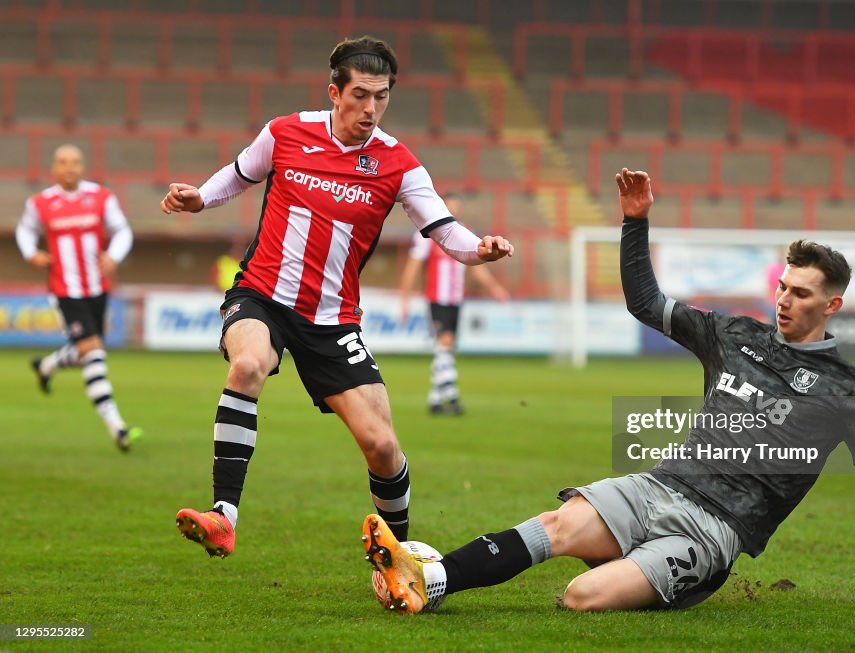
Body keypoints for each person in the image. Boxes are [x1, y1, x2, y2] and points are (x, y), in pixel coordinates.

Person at [362, 168, 855, 614]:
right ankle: (428, 581)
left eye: (801, 294)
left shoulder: (849, 386)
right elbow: (646, 303)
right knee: (558, 525)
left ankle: (662, 569)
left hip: (714, 530)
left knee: (581, 597)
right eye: (783, 287)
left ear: (832, 305)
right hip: (656, 485)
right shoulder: (734, 335)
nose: (785, 301)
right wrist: (634, 222)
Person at [160, 36, 513, 558]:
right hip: (262, 293)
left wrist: (480, 249)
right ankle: (224, 516)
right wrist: (198, 198)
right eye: (361, 95)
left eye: (383, 97)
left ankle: (398, 552)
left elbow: (446, 231)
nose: (371, 108)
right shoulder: (284, 133)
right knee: (249, 363)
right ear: (335, 92)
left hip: (332, 320)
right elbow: (238, 176)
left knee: (382, 445)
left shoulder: (398, 164)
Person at [15, 144, 142, 452]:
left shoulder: (100, 197)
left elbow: (123, 231)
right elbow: (24, 231)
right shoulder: (41, 202)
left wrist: (114, 256)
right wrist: (31, 254)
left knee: (87, 350)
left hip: (98, 290)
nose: (69, 167)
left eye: (75, 161)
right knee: (94, 353)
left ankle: (47, 367)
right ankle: (117, 427)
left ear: (82, 166)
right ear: (54, 169)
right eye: (63, 162)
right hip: (64, 291)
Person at [397, 192, 511, 415]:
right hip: (437, 298)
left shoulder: (464, 233)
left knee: (446, 348)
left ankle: (436, 399)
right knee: (445, 343)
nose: (453, 211)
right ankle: (451, 395)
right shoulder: (426, 235)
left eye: (456, 208)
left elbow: (477, 266)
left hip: (456, 299)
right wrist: (405, 299)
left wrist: (494, 288)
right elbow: (412, 268)